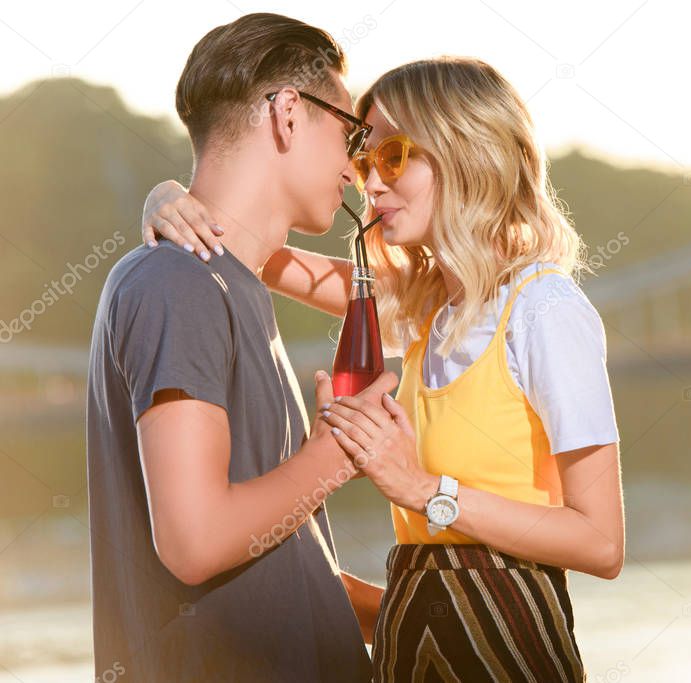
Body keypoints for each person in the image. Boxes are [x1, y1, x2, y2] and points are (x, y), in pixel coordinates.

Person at [143, 57, 625, 682]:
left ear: (467, 150)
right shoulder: (428, 307)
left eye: (393, 157)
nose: (368, 185)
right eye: (365, 162)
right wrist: (169, 200)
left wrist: (427, 492)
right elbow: (252, 251)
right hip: (407, 647)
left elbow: (602, 544)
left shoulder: (545, 309)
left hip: (512, 648)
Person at [87, 13, 384, 681]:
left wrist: (424, 617)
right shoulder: (176, 283)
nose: (355, 165)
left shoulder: (226, 284)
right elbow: (197, 545)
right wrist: (339, 452)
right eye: (351, 134)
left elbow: (281, 565)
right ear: (286, 114)